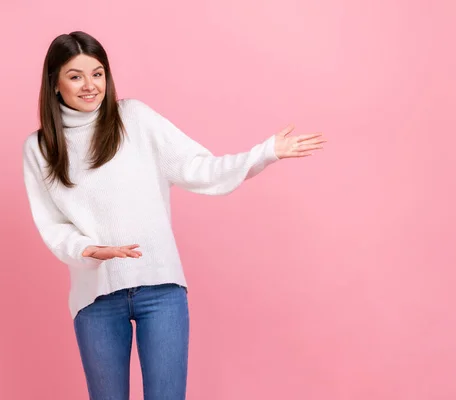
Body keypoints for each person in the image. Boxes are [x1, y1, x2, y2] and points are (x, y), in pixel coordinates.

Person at [22, 31, 325, 400]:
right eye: (75, 76)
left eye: (98, 73)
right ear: (54, 83)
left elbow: (198, 168)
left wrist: (264, 153)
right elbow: (53, 224)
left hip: (160, 290)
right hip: (96, 299)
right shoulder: (40, 148)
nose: (90, 86)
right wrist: (88, 250)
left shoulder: (133, 118)